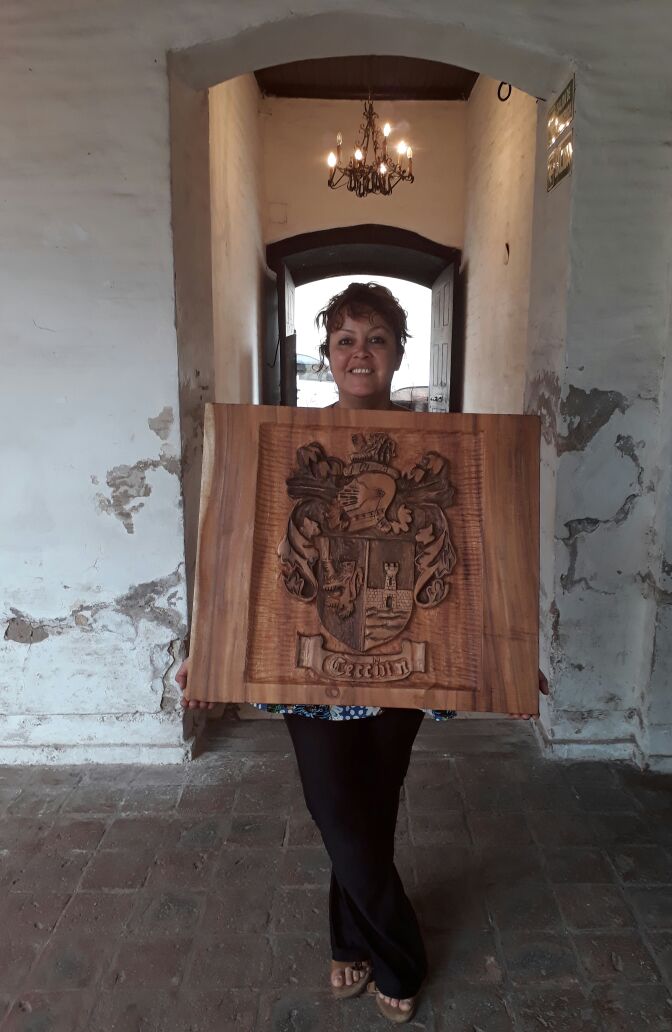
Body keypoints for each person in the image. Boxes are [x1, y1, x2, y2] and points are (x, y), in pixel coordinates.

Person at [177, 282, 549, 1024]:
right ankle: (400, 957)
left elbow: (478, 562)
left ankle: (347, 939)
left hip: (398, 665)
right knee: (336, 811)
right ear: (327, 354)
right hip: (309, 666)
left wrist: (512, 660)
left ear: (399, 353)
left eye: (376, 338)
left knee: (372, 808)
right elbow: (239, 549)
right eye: (345, 339)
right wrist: (206, 648)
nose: (359, 352)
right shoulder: (290, 441)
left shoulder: (439, 449)